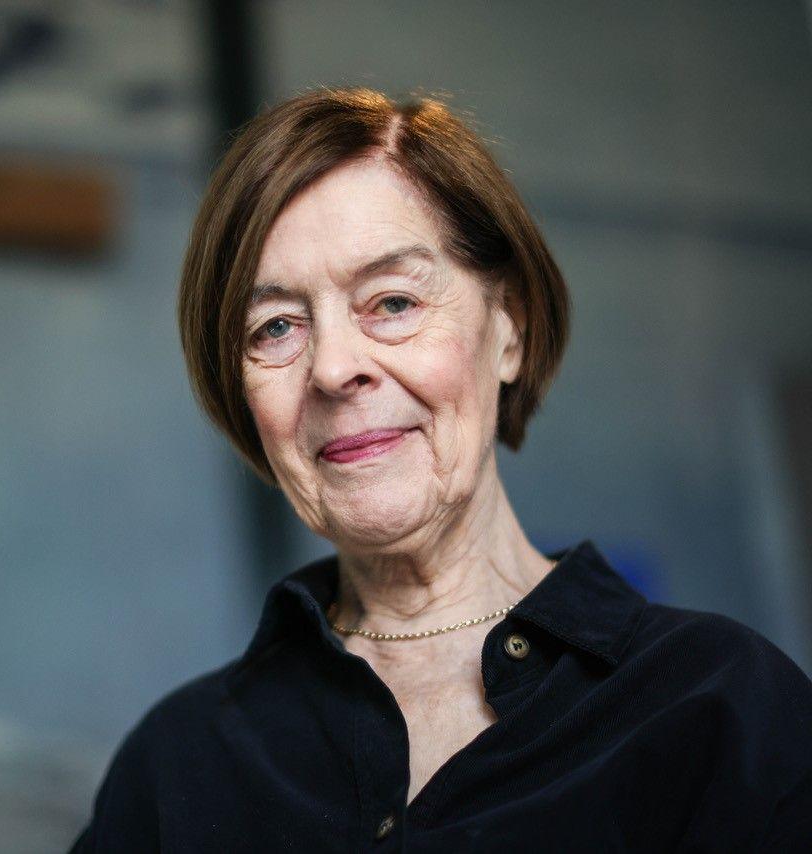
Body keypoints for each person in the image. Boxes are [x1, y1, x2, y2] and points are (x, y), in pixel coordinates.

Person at [67, 87, 812, 852]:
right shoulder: (173, 771)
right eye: (277, 327)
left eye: (390, 302)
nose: (333, 368)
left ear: (509, 329)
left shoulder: (722, 710)